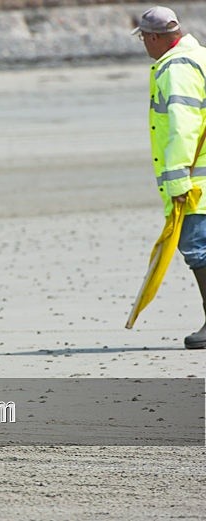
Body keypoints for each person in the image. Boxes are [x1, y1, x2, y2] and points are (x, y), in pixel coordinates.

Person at [134, 6, 206, 349]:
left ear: (154, 37)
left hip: (196, 181)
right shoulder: (199, 57)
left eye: (145, 38)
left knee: (198, 249)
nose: (144, 45)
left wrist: (178, 182)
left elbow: (183, 127)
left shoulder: (176, 69)